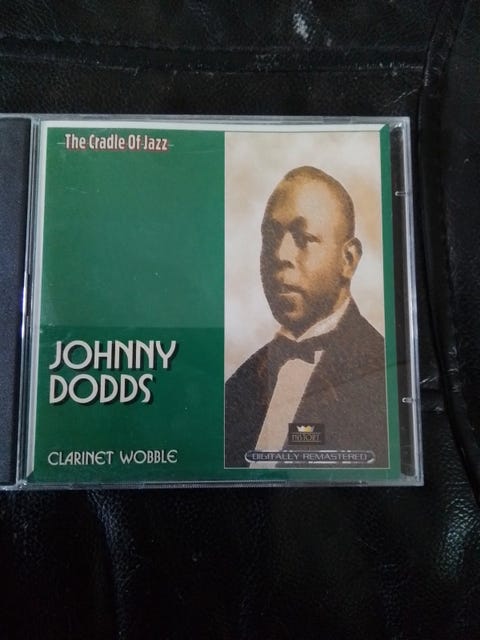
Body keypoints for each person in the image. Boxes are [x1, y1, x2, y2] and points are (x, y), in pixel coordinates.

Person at [225, 166, 388, 468]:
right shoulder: (239, 384)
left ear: (348, 260)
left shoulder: (385, 380)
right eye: (271, 236)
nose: (280, 254)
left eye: (303, 237)